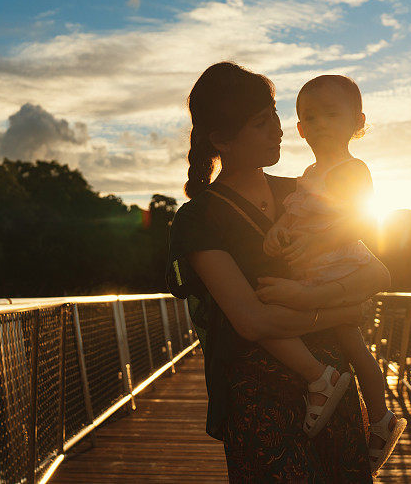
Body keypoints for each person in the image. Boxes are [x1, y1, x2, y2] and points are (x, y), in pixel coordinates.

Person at [167, 61, 391, 482]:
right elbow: (252, 321)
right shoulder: (199, 218)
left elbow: (376, 274)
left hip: (336, 390)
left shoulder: (304, 191)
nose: (279, 128)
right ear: (221, 138)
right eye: (259, 122)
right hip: (259, 401)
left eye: (274, 114)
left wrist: (318, 300)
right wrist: (340, 310)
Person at [258, 75, 407, 475]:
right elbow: (294, 212)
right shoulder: (310, 171)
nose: (320, 123)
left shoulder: (351, 169)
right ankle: (378, 416)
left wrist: (316, 247)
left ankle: (344, 395)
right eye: (311, 117)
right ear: (301, 129)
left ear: (357, 122)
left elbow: (357, 222)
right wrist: (279, 230)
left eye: (331, 114)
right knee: (350, 341)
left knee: (279, 316)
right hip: (315, 265)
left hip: (336, 264)